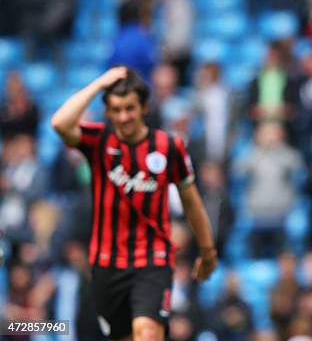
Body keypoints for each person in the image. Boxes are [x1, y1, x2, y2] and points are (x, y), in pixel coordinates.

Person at [50, 66, 217, 340]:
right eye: (116, 109)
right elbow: (59, 123)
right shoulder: (98, 142)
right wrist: (100, 83)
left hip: (153, 260)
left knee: (147, 332)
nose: (123, 116)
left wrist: (208, 251)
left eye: (129, 108)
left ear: (144, 108)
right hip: (106, 264)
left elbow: (192, 202)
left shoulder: (169, 147)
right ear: (108, 112)